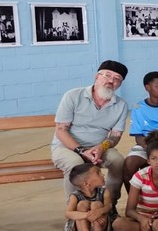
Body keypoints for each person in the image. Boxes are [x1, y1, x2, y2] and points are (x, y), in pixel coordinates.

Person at [52, 61, 129, 206]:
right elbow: (61, 130)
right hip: (67, 147)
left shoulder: (121, 105)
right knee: (76, 164)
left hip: (97, 147)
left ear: (120, 84)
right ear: (97, 76)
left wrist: (102, 147)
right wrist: (82, 151)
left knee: (117, 160)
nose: (111, 81)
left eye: (117, 78)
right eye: (107, 75)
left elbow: (115, 135)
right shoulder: (73, 96)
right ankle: (73, 209)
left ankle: (110, 205)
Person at [63, 164, 111, 231]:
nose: (102, 175)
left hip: (101, 228)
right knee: (82, 204)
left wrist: (99, 211)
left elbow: (109, 206)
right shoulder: (75, 196)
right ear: (86, 183)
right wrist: (88, 215)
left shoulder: (104, 192)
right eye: (98, 173)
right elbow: (67, 213)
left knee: (97, 205)